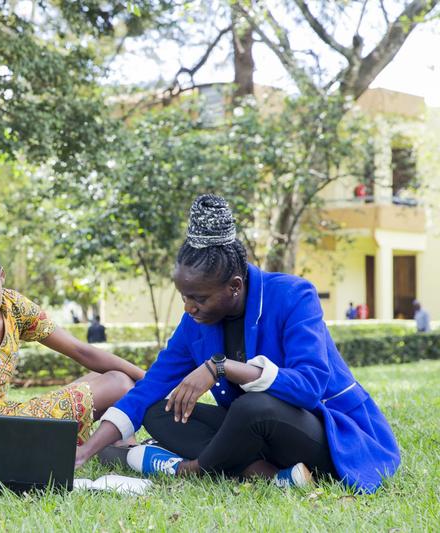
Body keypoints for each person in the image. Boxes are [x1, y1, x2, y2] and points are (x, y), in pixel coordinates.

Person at [75, 195, 400, 493]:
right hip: (252, 436)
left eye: (198, 298)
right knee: (158, 410)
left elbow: (310, 386)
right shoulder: (195, 323)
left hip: (327, 437)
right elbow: (149, 388)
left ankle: (194, 470)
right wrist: (86, 451)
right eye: (184, 297)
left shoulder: (293, 296)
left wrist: (220, 367)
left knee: (253, 405)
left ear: (234, 286)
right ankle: (262, 473)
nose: (189, 308)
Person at [0, 218, 145, 444]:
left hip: (12, 414)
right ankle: (111, 447)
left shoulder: (14, 306)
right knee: (119, 383)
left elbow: (80, 350)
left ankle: (120, 446)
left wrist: (150, 380)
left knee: (114, 375)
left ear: (1, 276)